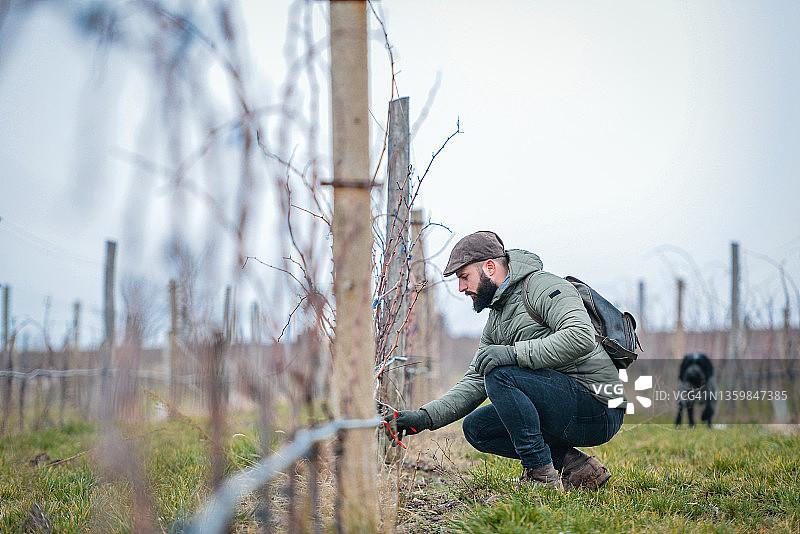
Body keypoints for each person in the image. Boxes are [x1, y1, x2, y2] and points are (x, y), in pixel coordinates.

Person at [388, 231, 626, 491]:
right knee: (478, 428)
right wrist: (422, 419)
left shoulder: (543, 286)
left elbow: (580, 335)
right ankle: (579, 467)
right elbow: (476, 379)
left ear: (490, 267)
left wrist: (513, 354)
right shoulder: (497, 319)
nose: (461, 288)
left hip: (601, 406)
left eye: (464, 277)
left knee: (501, 372)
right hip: (564, 406)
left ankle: (540, 478)